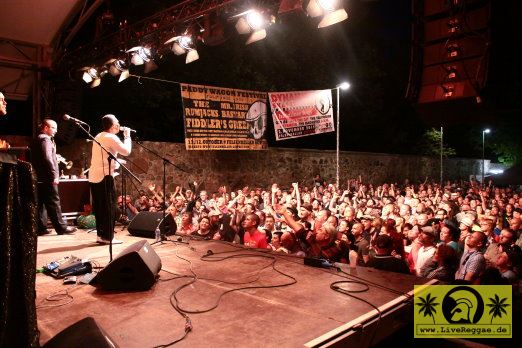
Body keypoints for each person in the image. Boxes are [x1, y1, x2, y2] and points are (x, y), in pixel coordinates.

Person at [89, 114, 131, 244]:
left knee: (100, 207)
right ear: (113, 126)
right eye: (117, 122)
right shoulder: (111, 137)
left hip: (94, 176)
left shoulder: (99, 136)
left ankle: (101, 235)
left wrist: (117, 161)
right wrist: (127, 136)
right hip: (105, 177)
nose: (119, 124)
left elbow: (103, 156)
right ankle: (108, 237)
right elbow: (126, 151)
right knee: (109, 207)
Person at [30, 119, 76, 235]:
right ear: (46, 128)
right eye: (53, 128)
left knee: (40, 203)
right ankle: (61, 228)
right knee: (54, 202)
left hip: (38, 177)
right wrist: (54, 175)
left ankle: (40, 227)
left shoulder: (37, 139)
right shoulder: (45, 139)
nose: (56, 131)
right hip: (47, 177)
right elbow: (47, 158)